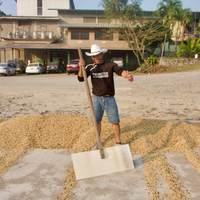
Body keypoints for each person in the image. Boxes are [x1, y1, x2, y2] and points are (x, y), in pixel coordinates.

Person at [78, 44, 133, 150]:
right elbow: (81, 78)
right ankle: (98, 142)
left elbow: (120, 71)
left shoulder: (110, 64)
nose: (96, 58)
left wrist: (127, 75)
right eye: (94, 56)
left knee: (114, 121)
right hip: (96, 98)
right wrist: (81, 67)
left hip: (109, 98)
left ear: (102, 54)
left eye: (98, 55)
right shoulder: (90, 66)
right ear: (92, 57)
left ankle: (118, 142)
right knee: (97, 121)